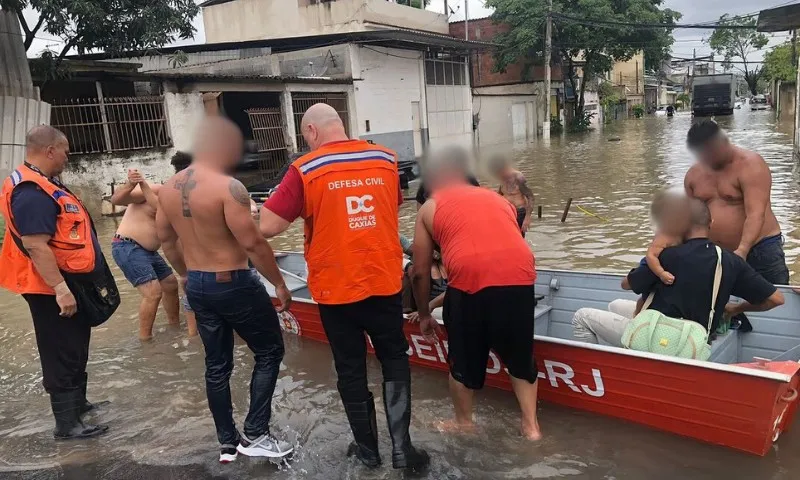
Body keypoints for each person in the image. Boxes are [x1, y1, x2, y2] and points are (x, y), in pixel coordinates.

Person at [260, 103, 430, 475]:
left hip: (336, 290)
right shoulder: (385, 160)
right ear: (343, 125)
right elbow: (387, 208)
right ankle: (403, 450)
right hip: (384, 282)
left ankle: (368, 451)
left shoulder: (304, 169)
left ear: (311, 133)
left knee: (350, 368)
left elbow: (268, 227)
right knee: (394, 360)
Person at [156, 117, 293, 464]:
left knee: (217, 365)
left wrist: (187, 275)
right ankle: (256, 434)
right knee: (269, 351)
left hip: (200, 284)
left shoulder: (167, 188)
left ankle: (228, 443)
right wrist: (279, 282)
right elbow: (253, 243)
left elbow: (166, 241)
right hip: (233, 282)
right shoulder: (229, 187)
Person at [411, 146, 542, 441]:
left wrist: (423, 314)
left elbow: (419, 271)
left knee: (463, 361)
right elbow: (501, 250)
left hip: (471, 285)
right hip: (521, 278)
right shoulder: (499, 201)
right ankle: (531, 428)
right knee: (520, 359)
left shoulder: (429, 208)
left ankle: (463, 423)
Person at [0, 125, 111, 439]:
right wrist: (60, 289)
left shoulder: (43, 182)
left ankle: (78, 405)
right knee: (60, 348)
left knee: (75, 342)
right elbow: (36, 244)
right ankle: (67, 425)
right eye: (65, 150)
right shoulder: (31, 191)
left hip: (65, 280)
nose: (67, 156)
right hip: (48, 285)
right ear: (50, 150)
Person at [572, 197, 785, 347]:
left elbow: (626, 284)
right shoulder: (728, 260)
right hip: (693, 340)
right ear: (710, 223)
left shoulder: (666, 256)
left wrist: (650, 256)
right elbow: (776, 299)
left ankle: (602, 370)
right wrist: (735, 309)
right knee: (614, 306)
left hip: (654, 336)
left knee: (581, 317)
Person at [684, 120, 788, 285]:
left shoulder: (751, 165)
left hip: (759, 249)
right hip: (717, 253)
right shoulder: (693, 175)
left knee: (775, 302)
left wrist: (742, 250)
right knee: (722, 306)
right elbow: (691, 220)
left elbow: (756, 214)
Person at [110, 168, 191, 339]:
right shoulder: (156, 190)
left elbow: (174, 241)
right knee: (153, 292)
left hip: (148, 251)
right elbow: (117, 199)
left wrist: (185, 272)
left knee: (170, 283)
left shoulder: (181, 204)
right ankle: (145, 339)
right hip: (127, 246)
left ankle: (174, 328)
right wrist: (131, 184)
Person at [488, 154, 534, 236]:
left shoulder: (518, 177)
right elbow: (500, 194)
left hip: (519, 212)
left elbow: (530, 197)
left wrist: (527, 218)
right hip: (507, 212)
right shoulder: (502, 177)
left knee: (518, 237)